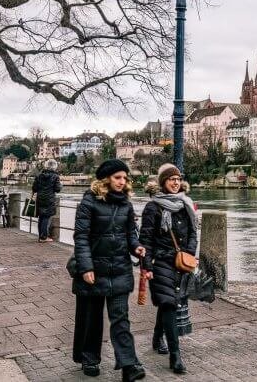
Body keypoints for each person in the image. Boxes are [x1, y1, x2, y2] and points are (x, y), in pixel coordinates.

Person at [71, 159, 147, 381]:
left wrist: (137, 247)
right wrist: (86, 267)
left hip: (119, 269)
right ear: (105, 179)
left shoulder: (126, 204)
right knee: (91, 318)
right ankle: (89, 358)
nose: (122, 182)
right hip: (93, 269)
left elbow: (131, 233)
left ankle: (129, 365)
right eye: (117, 177)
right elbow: (81, 237)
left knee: (120, 318)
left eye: (125, 178)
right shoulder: (89, 203)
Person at [139, 163, 198, 374]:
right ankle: (176, 355)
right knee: (169, 303)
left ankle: (157, 337)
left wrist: (189, 253)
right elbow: (145, 239)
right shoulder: (153, 207)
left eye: (178, 179)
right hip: (160, 261)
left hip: (180, 262)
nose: (175, 182)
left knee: (169, 302)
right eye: (171, 179)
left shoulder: (185, 204)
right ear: (163, 182)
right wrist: (146, 265)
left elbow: (193, 232)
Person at [31, 159, 62, 242]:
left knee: (41, 217)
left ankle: (40, 235)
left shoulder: (39, 175)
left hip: (40, 198)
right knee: (46, 217)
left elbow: (34, 188)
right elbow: (57, 189)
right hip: (49, 199)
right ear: (55, 167)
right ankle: (43, 237)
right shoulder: (55, 177)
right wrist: (60, 185)